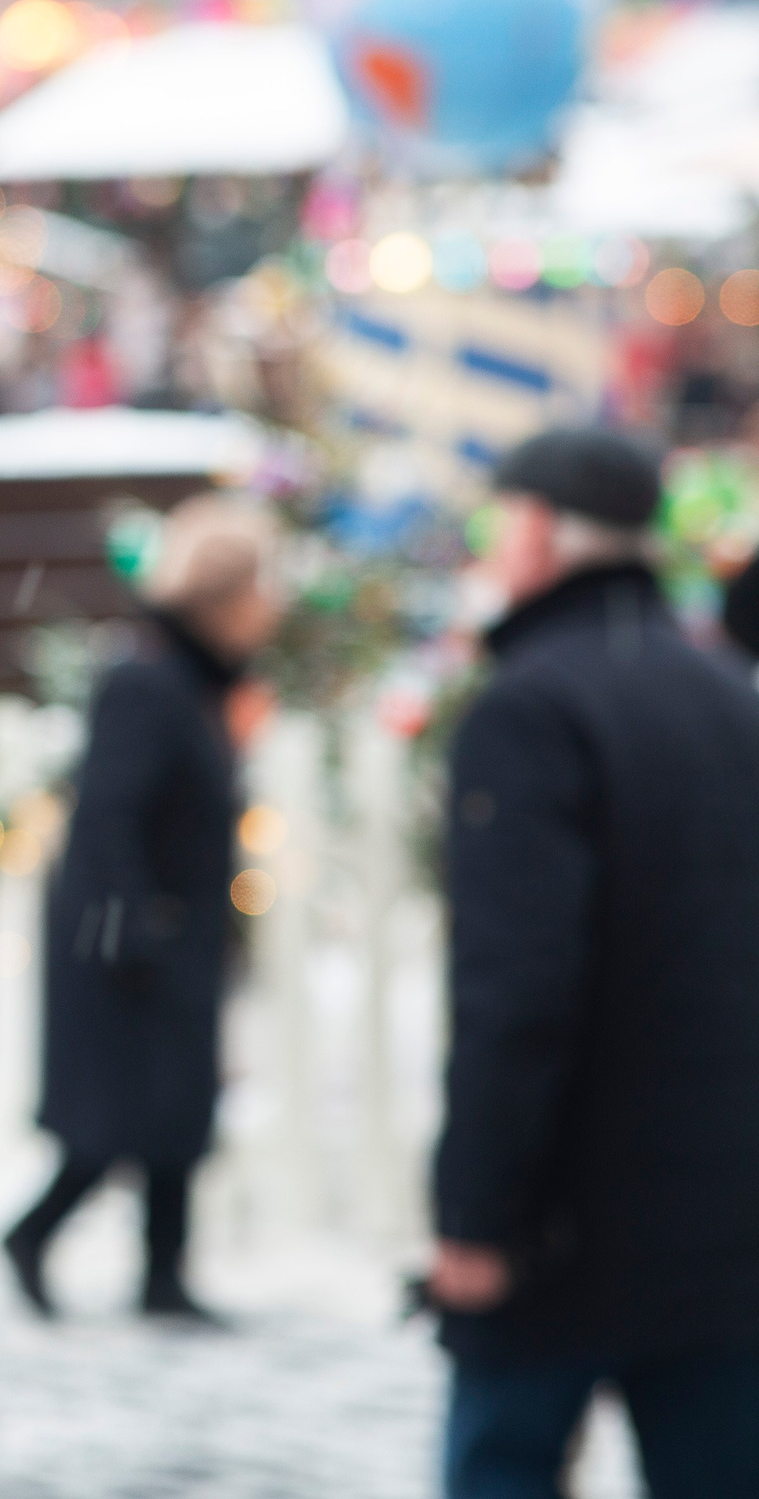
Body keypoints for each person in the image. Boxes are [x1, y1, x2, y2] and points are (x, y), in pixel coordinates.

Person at [427, 428, 759, 1499]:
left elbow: (517, 989)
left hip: (565, 1218)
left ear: (536, 531)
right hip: (725, 1218)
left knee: (504, 1466)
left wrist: (476, 1216)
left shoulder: (530, 707)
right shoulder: (728, 696)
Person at [3, 492, 283, 1323]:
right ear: (223, 593)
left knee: (173, 1109)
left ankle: (163, 1275)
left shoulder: (193, 682)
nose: (272, 606)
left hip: (171, 930)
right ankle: (32, 1234)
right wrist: (138, 928)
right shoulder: (149, 680)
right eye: (261, 586)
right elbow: (109, 814)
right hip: (132, 938)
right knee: (121, 1114)